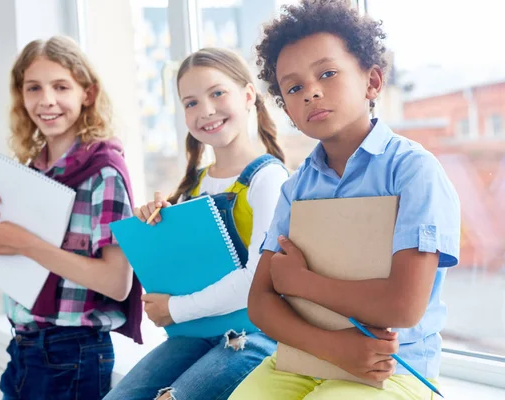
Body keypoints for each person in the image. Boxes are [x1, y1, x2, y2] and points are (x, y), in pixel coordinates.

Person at [229, 1, 461, 399]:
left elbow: (402, 307)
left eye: (328, 73)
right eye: (294, 87)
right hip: (305, 359)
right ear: (286, 108)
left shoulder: (413, 172)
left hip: (393, 369)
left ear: (372, 82)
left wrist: (302, 282)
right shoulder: (296, 187)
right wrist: (334, 348)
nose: (312, 91)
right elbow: (260, 304)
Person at [104, 47, 289, 400]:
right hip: (196, 331)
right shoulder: (194, 185)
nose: (205, 110)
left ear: (248, 95)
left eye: (217, 93)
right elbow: (187, 267)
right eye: (190, 103)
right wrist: (157, 224)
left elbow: (258, 280)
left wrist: (173, 309)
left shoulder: (269, 179)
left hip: (256, 333)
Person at [0, 36, 142, 399]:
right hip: (24, 348)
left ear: (87, 94)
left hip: (72, 352)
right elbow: (5, 255)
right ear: (22, 96)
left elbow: (116, 283)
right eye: (34, 88)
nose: (46, 100)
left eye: (61, 86)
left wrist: (26, 243)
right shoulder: (32, 172)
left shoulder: (105, 173)